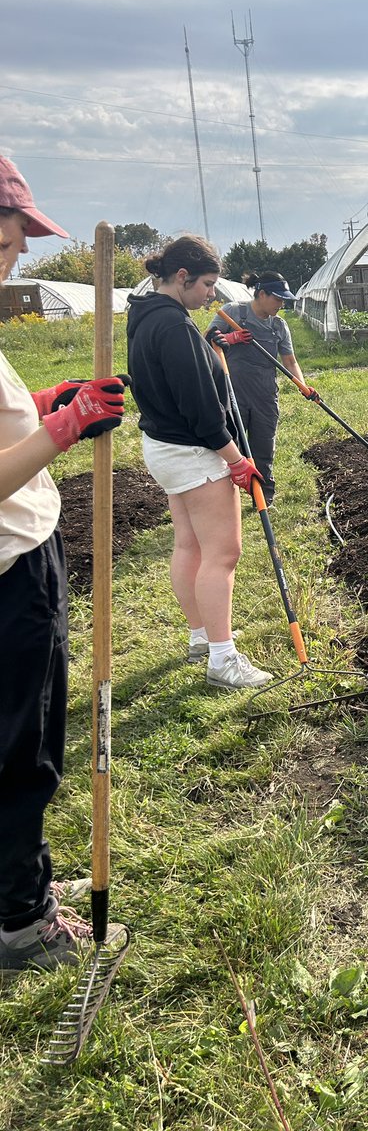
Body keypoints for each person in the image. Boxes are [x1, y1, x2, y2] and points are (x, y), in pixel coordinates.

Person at [0, 156, 128, 974]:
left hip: (21, 554)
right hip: (10, 573)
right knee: (21, 752)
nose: (11, 260)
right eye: (5, 242)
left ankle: (19, 887)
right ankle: (21, 920)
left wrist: (39, 406)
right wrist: (69, 424)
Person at [126, 236, 273, 690]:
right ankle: (223, 660)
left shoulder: (144, 313)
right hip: (194, 450)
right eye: (208, 284)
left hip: (165, 447)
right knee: (223, 553)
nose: (212, 294)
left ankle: (202, 637)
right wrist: (235, 459)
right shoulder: (172, 325)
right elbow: (200, 405)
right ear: (183, 277)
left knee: (188, 544)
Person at [205, 271, 315, 507]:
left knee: (264, 445)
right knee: (233, 445)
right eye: (278, 298)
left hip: (265, 395)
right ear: (262, 294)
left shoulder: (279, 326)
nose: (281, 304)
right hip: (232, 394)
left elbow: (290, 361)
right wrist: (231, 338)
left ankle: (264, 496)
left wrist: (303, 387)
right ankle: (225, 499)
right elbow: (206, 340)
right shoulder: (234, 312)